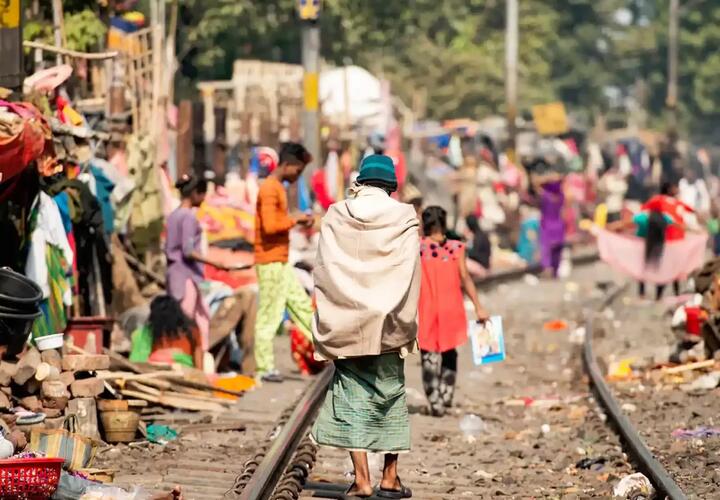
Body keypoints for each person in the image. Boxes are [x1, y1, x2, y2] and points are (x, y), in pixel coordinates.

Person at [311, 154, 420, 499]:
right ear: (391, 185)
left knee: (351, 399)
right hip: (388, 324)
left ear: (360, 182)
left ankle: (361, 480)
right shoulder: (404, 216)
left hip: (346, 321)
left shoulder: (336, 214)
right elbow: (410, 271)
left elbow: (324, 267)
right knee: (391, 397)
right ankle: (389, 478)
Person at [418, 207, 489, 417]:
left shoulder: (417, 248)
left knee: (429, 355)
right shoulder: (457, 248)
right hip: (451, 308)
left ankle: (435, 401)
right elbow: (466, 278)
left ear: (425, 224)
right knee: (449, 352)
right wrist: (478, 307)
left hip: (427, 309)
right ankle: (447, 394)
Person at [254, 142, 315, 382]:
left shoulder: (277, 187)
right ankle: (264, 367)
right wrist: (295, 220)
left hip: (279, 260)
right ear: (288, 165)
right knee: (269, 314)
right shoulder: (270, 189)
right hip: (270, 261)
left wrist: (295, 220)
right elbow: (270, 226)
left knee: (301, 306)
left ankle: (329, 353)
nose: (299, 176)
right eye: (298, 170)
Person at [165, 174, 232, 365]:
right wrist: (216, 263)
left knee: (197, 318)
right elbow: (188, 251)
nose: (204, 200)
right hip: (185, 276)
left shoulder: (174, 215)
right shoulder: (188, 218)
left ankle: (196, 361)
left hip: (176, 274)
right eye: (203, 195)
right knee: (189, 322)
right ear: (195, 193)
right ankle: (192, 363)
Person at [129, 295, 203, 368]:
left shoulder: (149, 332)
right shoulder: (192, 330)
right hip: (183, 371)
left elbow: (140, 360)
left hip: (155, 371)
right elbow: (199, 362)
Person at [536, 172, 566, 278]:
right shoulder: (561, 195)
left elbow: (537, 184)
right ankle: (555, 270)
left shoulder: (545, 196)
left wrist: (546, 178)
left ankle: (547, 269)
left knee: (546, 248)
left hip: (547, 225)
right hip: (559, 224)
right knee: (557, 250)